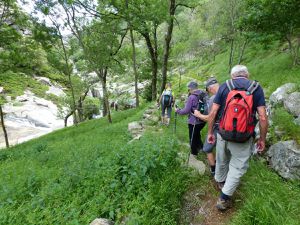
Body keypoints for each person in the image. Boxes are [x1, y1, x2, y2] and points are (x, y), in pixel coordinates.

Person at [207, 65, 268, 211]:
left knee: (222, 160)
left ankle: (221, 182)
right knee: (237, 166)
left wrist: (210, 133)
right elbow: (263, 117)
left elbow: (213, 112)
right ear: (247, 75)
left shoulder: (224, 86)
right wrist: (262, 139)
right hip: (244, 137)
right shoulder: (256, 88)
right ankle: (224, 198)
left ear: (233, 75)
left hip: (222, 133)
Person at [193, 77, 219, 176]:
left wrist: (198, 115)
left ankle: (213, 170)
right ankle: (219, 165)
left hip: (219, 128)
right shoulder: (229, 92)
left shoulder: (214, 98)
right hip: (233, 128)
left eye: (209, 91)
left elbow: (210, 118)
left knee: (207, 148)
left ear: (210, 88)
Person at [175, 81, 208, 157]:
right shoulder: (203, 94)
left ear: (190, 88)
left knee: (192, 137)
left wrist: (178, 110)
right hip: (203, 119)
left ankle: (194, 153)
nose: (188, 90)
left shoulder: (192, 97)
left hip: (194, 121)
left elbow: (186, 111)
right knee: (197, 134)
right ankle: (201, 148)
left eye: (188, 89)